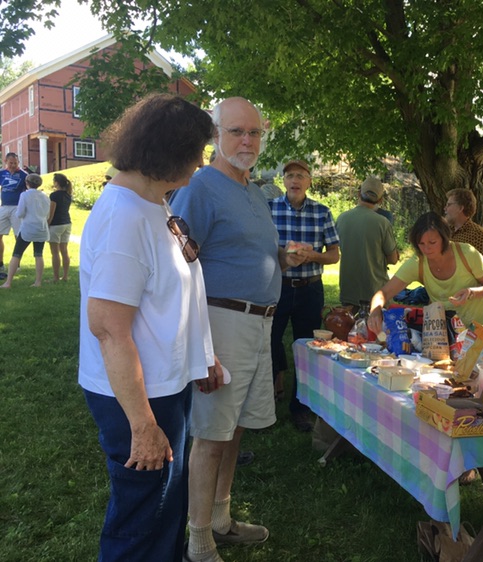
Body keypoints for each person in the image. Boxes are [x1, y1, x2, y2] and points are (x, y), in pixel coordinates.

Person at [77, 94, 215, 562]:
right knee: (142, 517)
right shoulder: (125, 218)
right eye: (195, 152)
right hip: (138, 398)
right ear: (168, 151)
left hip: (162, 387)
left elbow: (170, 298)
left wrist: (201, 358)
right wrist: (142, 425)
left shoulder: (152, 203)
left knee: (163, 508)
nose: (200, 163)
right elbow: (108, 329)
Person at [170, 97, 305, 562]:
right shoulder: (200, 187)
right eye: (236, 132)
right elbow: (178, 269)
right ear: (215, 135)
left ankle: (221, 519)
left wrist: (283, 258)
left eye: (254, 132)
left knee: (234, 429)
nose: (247, 141)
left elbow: (241, 253)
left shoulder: (255, 191)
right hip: (220, 323)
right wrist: (201, 346)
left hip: (259, 324)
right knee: (211, 435)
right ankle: (198, 540)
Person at [269, 159, 340, 431]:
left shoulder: (322, 212)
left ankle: (300, 408)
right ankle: (264, 405)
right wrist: (283, 256)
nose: (294, 180)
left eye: (300, 176)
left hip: (310, 288)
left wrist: (312, 256)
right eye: (289, 176)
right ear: (284, 181)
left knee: (307, 347)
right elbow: (260, 248)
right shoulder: (269, 209)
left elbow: (334, 255)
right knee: (269, 343)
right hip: (278, 286)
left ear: (309, 181)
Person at [368, 211, 483, 336]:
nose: (427, 248)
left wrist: (471, 292)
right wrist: (375, 311)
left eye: (432, 242)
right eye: (421, 243)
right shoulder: (418, 262)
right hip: (449, 332)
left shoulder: (467, 253)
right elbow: (383, 293)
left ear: (444, 238)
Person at [336, 176, 400, 314]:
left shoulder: (342, 218)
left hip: (348, 290)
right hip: (375, 291)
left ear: (359, 193)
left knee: (349, 326)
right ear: (380, 200)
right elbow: (393, 259)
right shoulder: (382, 222)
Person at [1, 173, 49, 289]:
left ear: (27, 183)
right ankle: (38, 282)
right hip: (41, 227)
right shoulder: (45, 196)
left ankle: (8, 282)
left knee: (16, 254)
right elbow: (47, 213)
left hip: (28, 228)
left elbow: (20, 213)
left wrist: (20, 215)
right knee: (38, 254)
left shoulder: (24, 195)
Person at [444, 188, 483, 275]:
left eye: (449, 205)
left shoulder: (475, 233)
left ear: (460, 208)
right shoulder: (447, 230)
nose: (445, 208)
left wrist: (480, 282)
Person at [0, 152, 28, 278]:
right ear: (6, 162)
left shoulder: (23, 175)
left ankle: (17, 263)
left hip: (17, 208)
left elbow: (30, 190)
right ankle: (1, 263)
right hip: (4, 207)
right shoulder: (2, 173)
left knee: (18, 236)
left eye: (15, 163)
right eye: (11, 163)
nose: (13, 165)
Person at [47, 173, 73, 282]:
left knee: (55, 252)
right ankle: (65, 276)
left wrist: (47, 223)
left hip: (56, 224)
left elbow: (51, 212)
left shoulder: (54, 195)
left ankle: (56, 277)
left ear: (56, 183)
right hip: (67, 223)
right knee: (64, 251)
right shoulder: (68, 195)